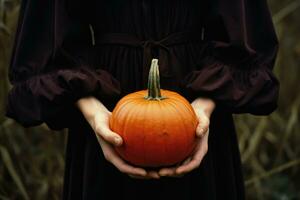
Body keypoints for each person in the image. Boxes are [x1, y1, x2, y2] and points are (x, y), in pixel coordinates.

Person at [5, 0, 279, 199]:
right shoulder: (100, 117)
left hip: (196, 106)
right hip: (107, 112)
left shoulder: (199, 115)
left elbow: (241, 27)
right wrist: (94, 114)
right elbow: (48, 33)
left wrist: (203, 111)